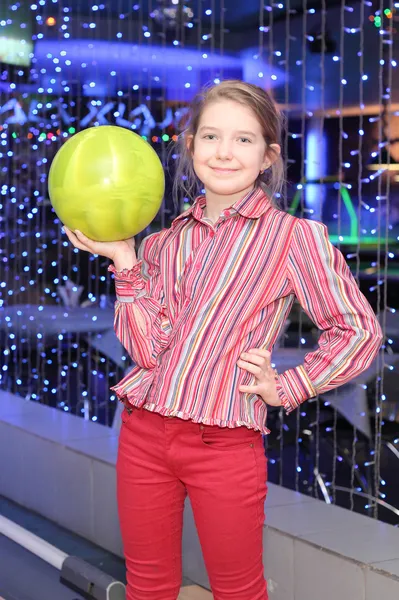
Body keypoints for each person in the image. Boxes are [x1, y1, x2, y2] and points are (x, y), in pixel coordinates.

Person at [64, 80, 383, 600]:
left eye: (243, 139)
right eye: (211, 136)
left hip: (225, 444)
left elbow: (358, 331)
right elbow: (147, 353)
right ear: (190, 148)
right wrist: (126, 261)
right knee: (148, 587)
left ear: (267, 156)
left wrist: (291, 385)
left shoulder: (295, 238)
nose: (224, 152)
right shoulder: (164, 244)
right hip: (143, 433)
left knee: (238, 591)